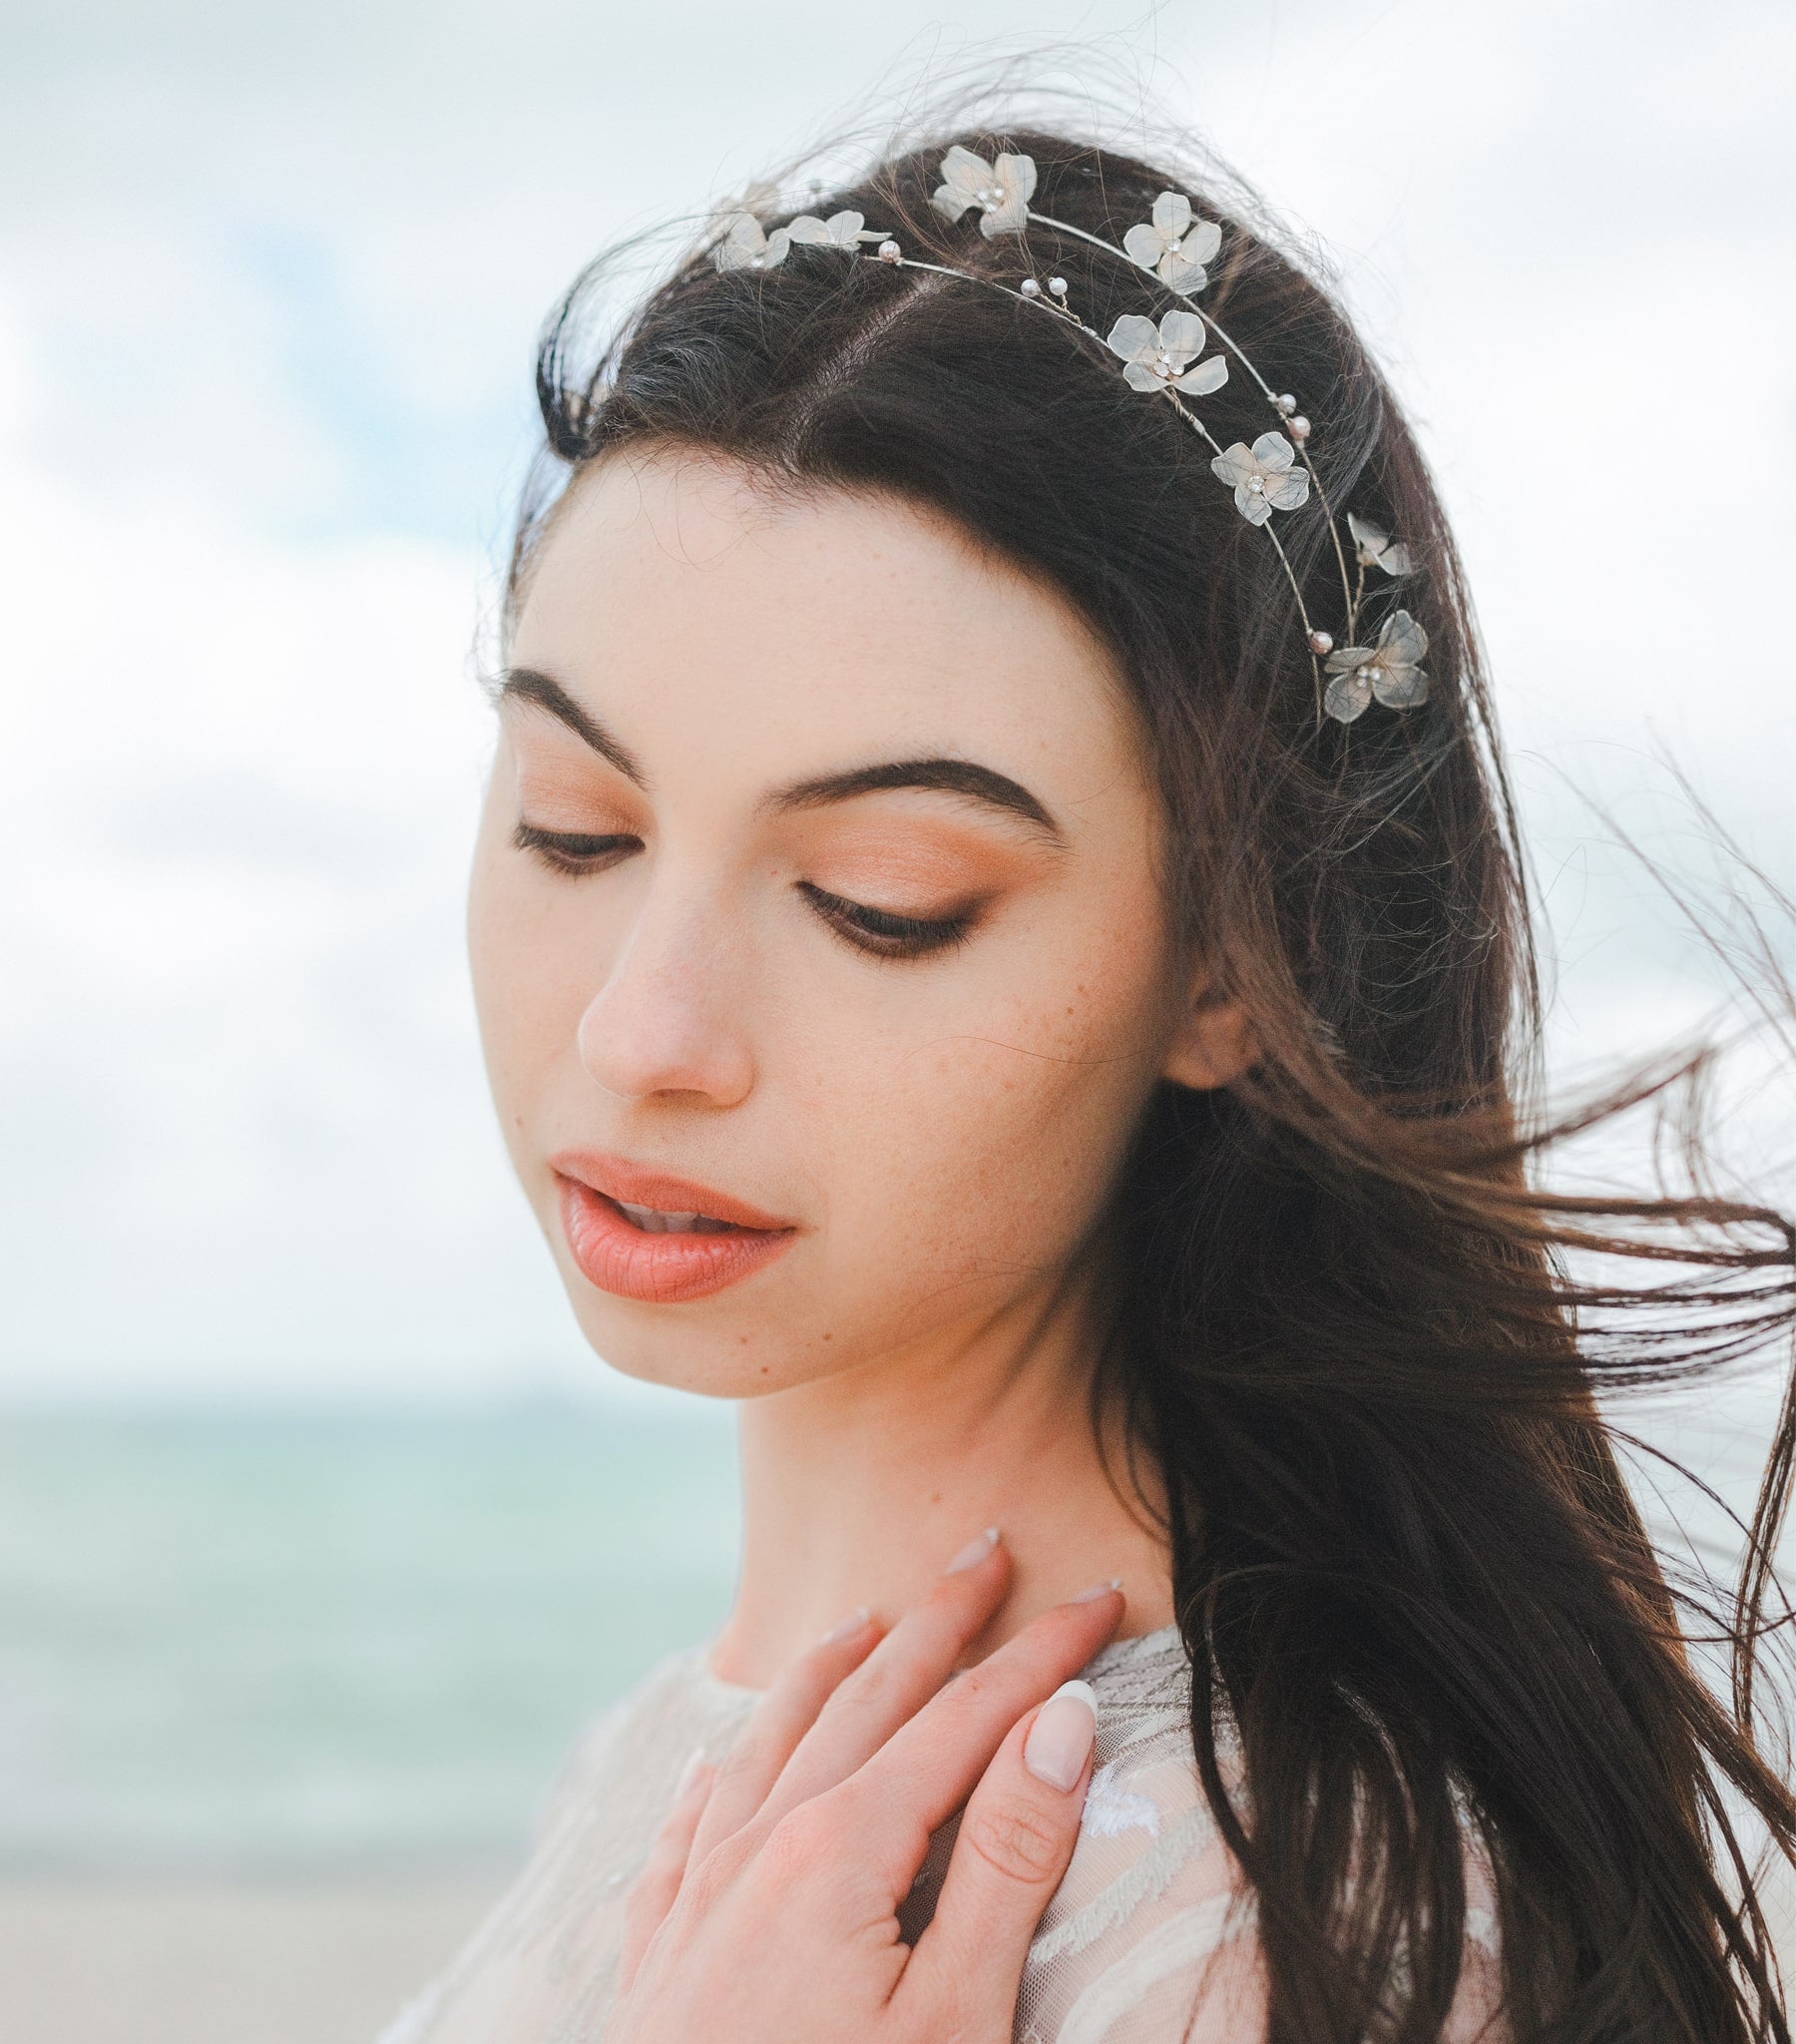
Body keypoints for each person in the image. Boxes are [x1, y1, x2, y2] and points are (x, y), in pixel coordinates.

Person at [379, 111, 1796, 2044]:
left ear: (1233, 961)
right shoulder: (660, 1753)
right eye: (575, 828)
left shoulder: (1303, 1923)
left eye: (884, 901)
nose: (642, 1029)